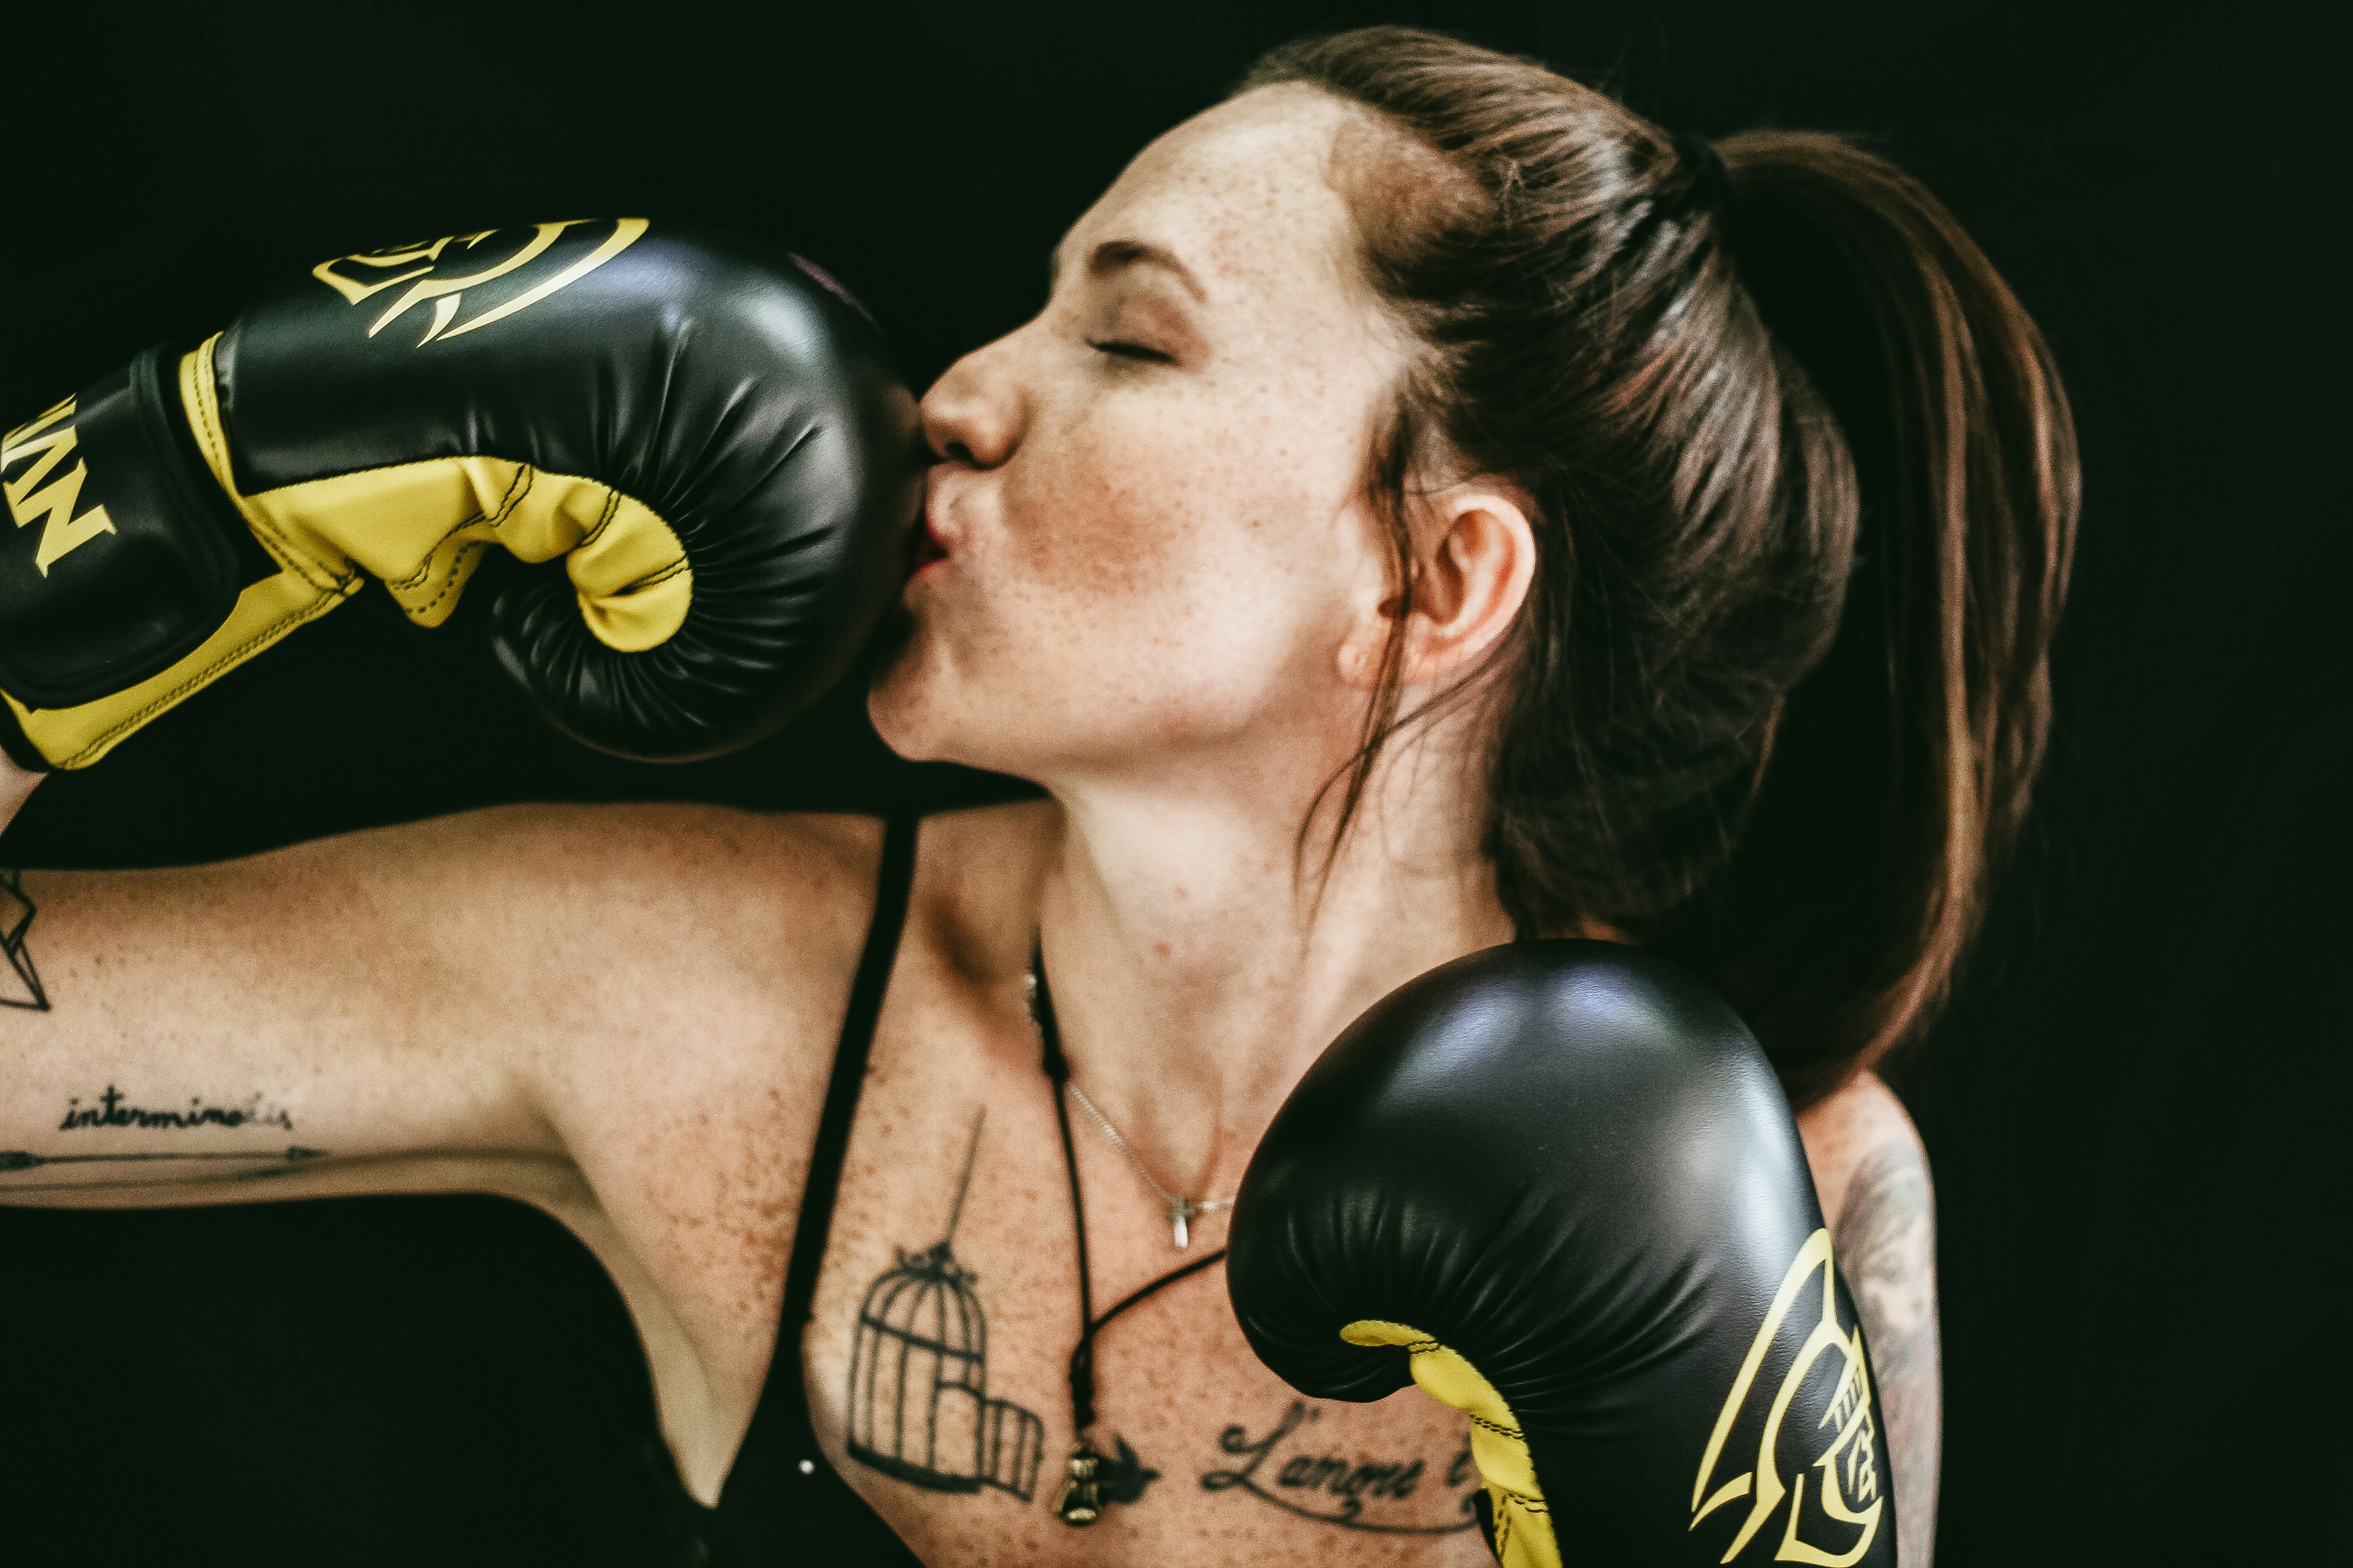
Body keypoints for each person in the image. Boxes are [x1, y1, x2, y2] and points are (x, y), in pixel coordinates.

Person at [0, 25, 2074, 1567]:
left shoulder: (1784, 1197)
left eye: (1131, 340)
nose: (962, 394)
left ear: (1433, 578)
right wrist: (169, 489)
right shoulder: (704, 997)